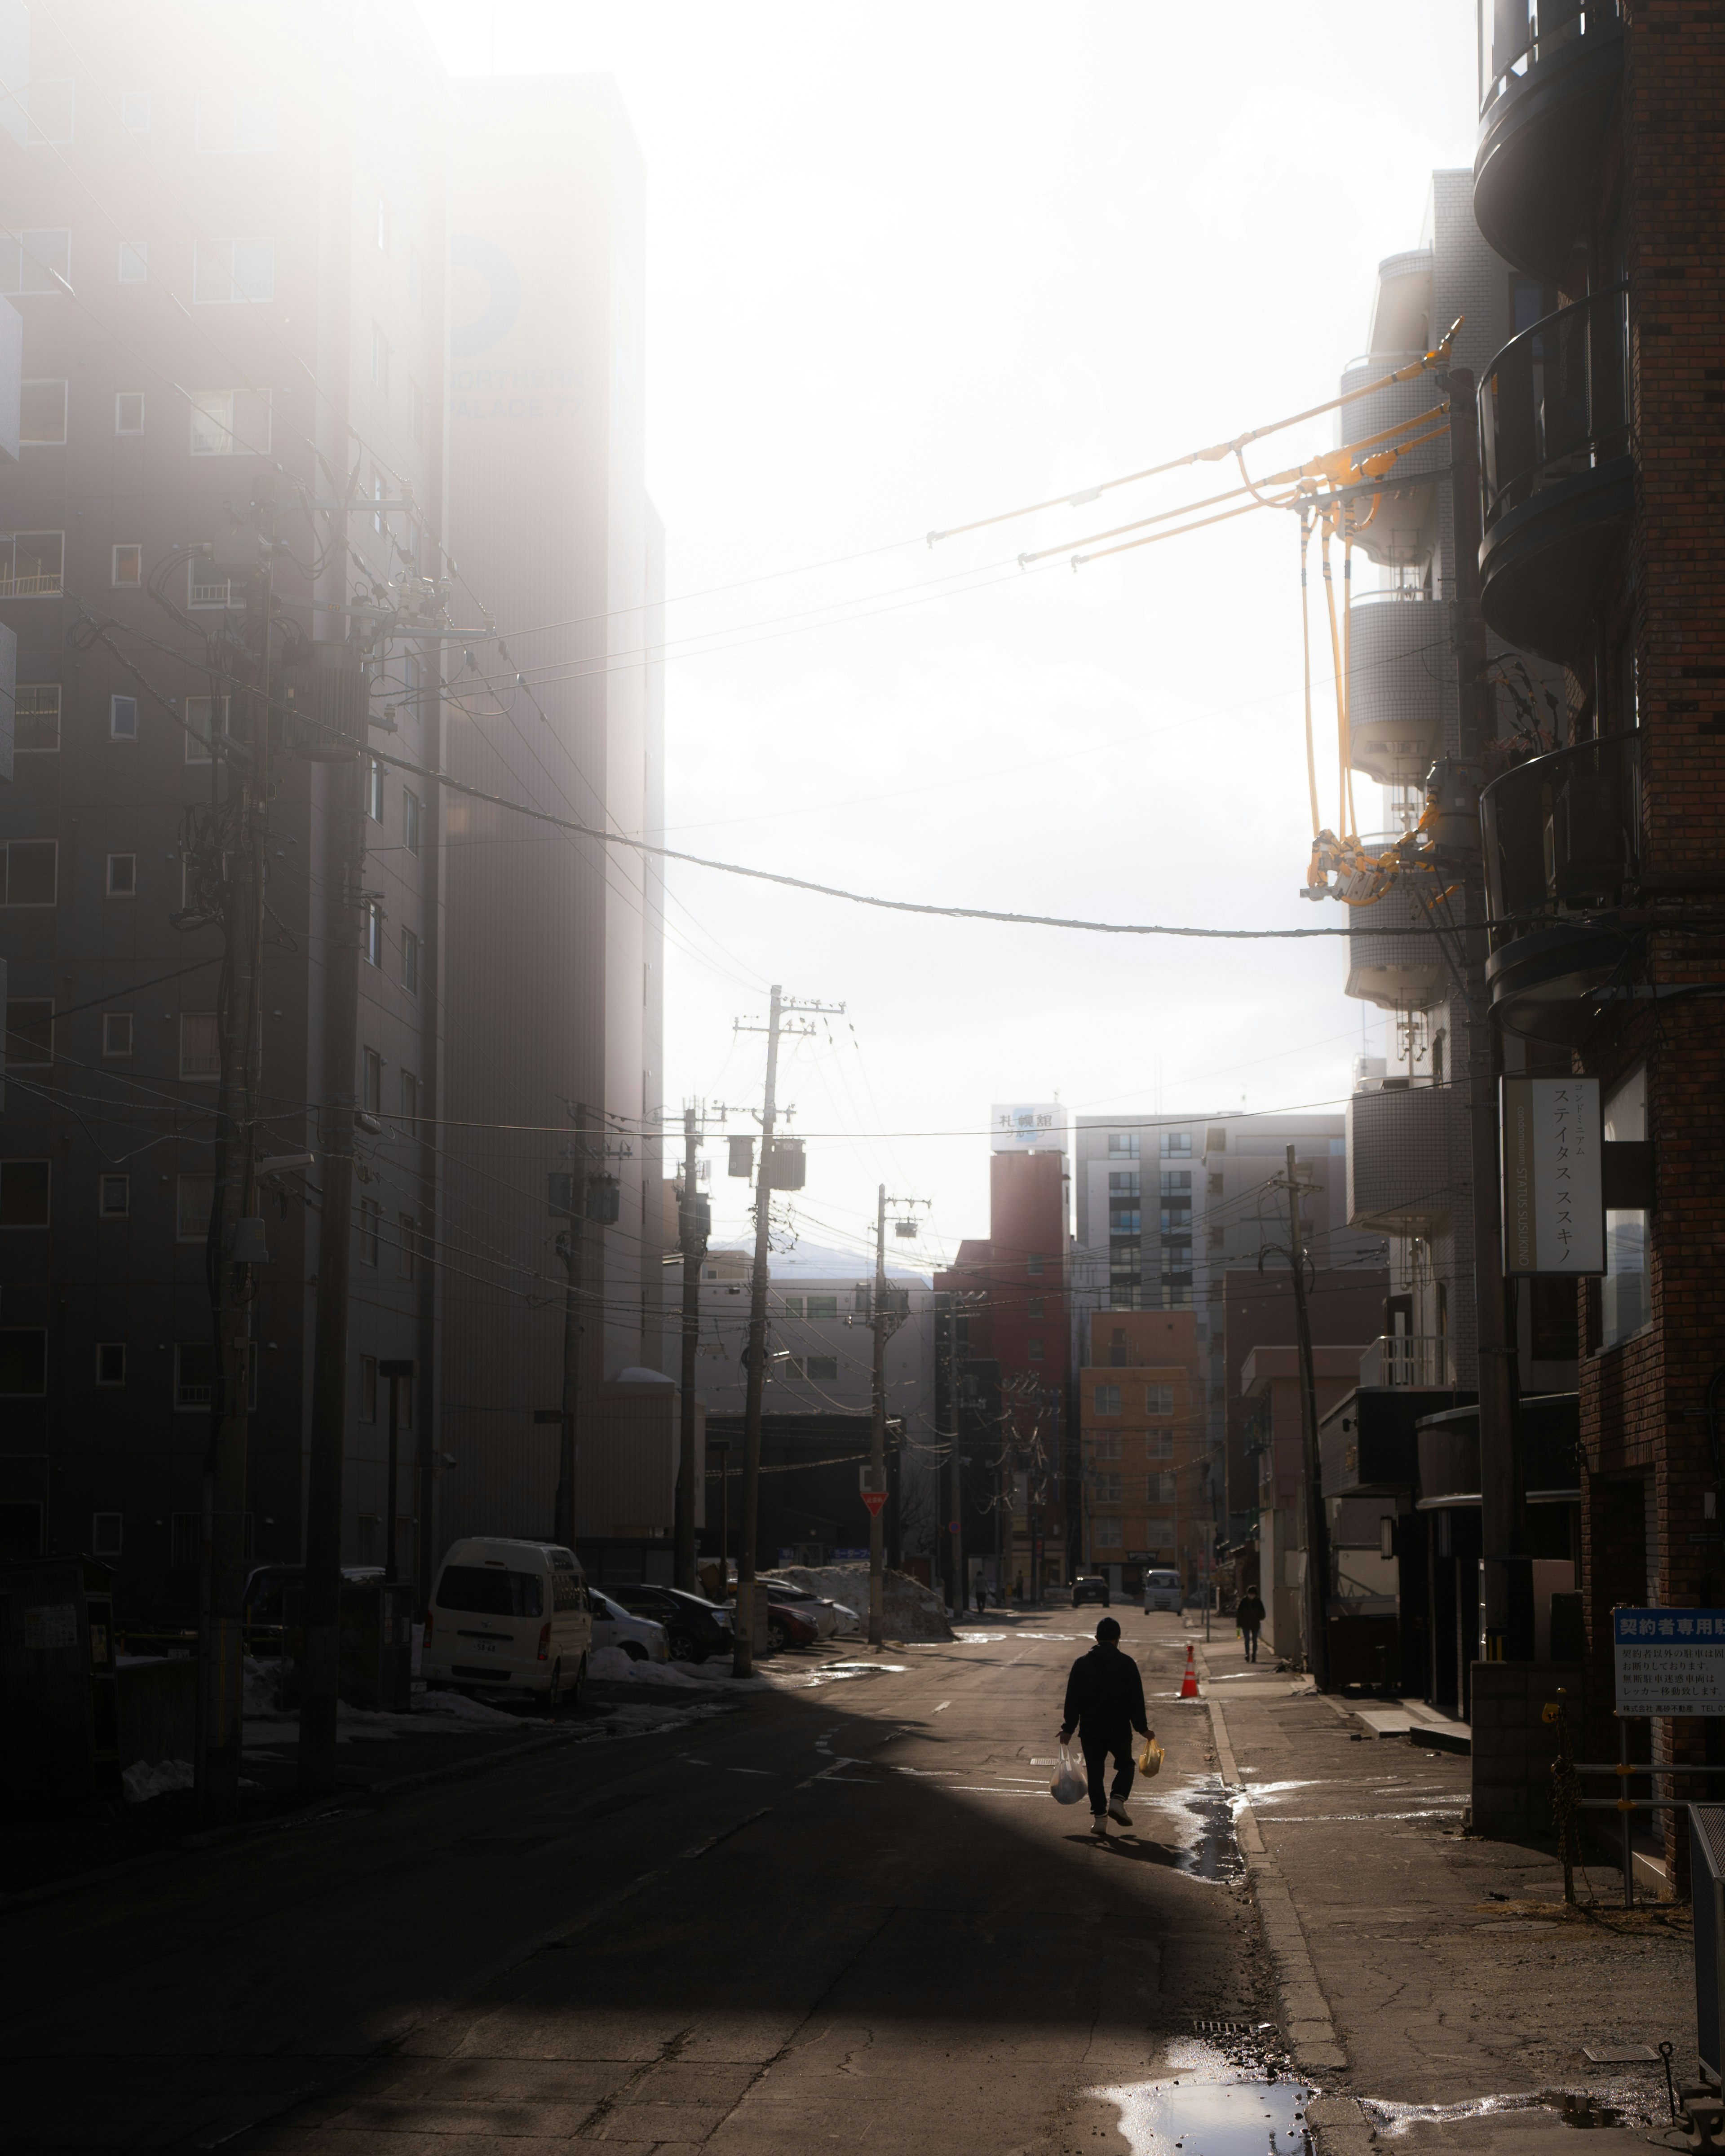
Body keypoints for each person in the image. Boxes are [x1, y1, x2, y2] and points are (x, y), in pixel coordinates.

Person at [1058, 1615, 1151, 1836]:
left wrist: (1068, 1728)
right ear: (1118, 1639)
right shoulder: (1127, 1664)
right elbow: (1135, 1700)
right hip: (1119, 1728)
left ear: (1096, 1638)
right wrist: (1142, 1728)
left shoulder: (1082, 1664)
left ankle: (1100, 1820)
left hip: (1091, 1730)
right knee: (1126, 1766)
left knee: (1096, 1774)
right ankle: (1118, 1800)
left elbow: (1073, 1699)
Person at [1235, 1585, 1266, 1664]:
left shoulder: (1258, 1602)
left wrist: (1258, 1618)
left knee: (1254, 1641)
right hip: (1246, 1624)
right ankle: (1248, 1655)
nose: (1252, 1595)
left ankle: (1254, 1656)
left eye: (1253, 1594)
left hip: (1254, 1624)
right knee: (1247, 1640)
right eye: (1251, 1594)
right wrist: (1239, 1624)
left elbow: (1263, 1614)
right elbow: (1239, 1614)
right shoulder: (1244, 1601)